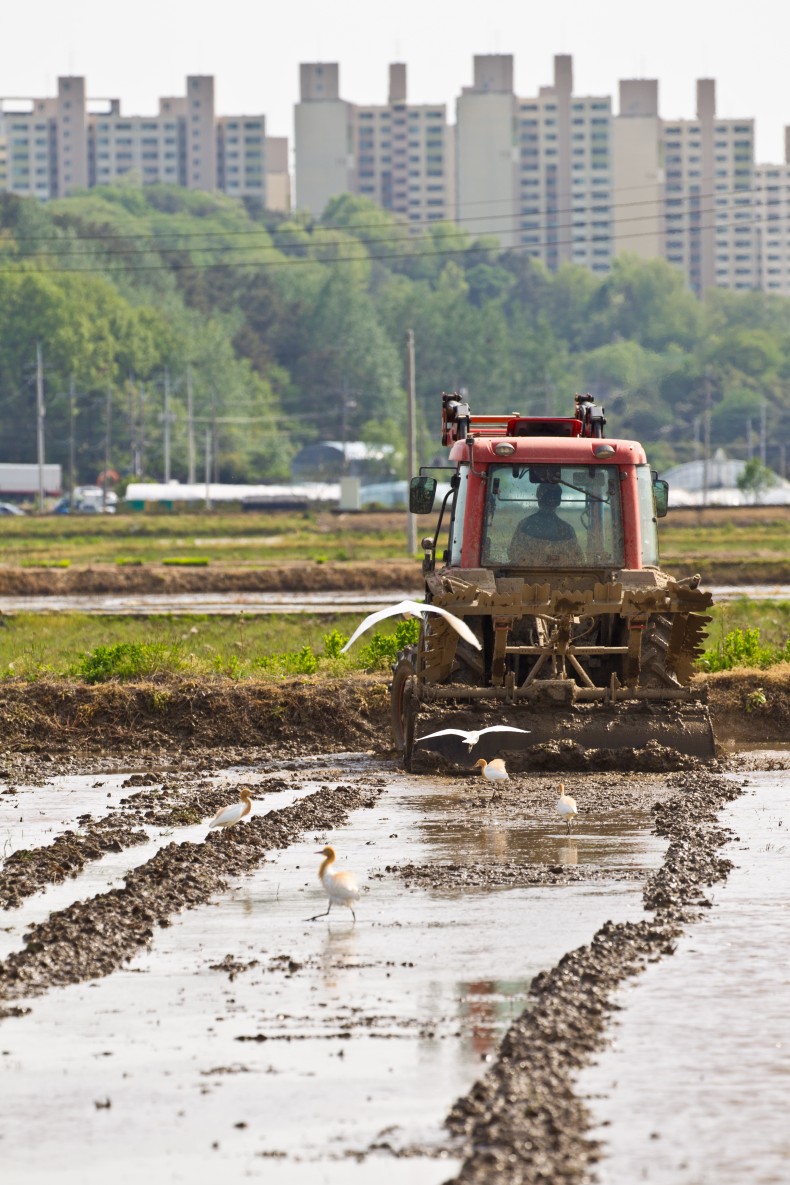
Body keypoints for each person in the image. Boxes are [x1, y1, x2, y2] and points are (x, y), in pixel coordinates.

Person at [508, 482, 583, 564]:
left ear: (538, 499)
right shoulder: (567, 530)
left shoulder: (524, 526)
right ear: (559, 502)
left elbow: (513, 554)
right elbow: (577, 559)